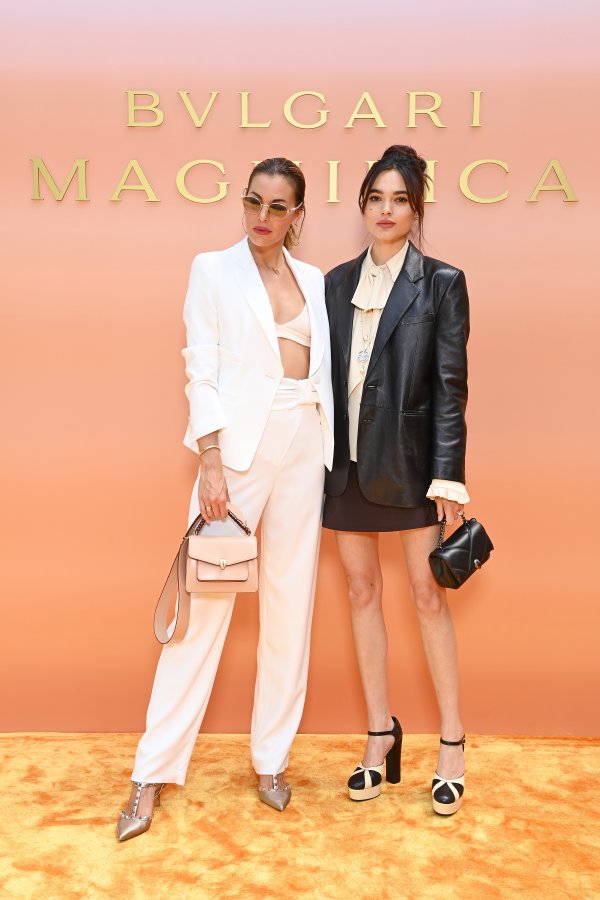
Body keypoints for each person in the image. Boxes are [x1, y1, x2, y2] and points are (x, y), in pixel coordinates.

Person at [116, 158, 334, 841]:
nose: (262, 217)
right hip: (235, 453)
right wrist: (209, 460)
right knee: (202, 609)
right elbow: (200, 368)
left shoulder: (315, 280)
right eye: (253, 202)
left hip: (305, 443)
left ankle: (271, 759)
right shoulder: (213, 270)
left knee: (291, 606)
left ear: (298, 216)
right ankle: (152, 771)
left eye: (278, 207)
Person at [323, 145, 470, 815]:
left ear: (416, 210)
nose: (386, 210)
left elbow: (449, 389)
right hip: (345, 466)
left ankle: (452, 742)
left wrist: (448, 479)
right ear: (362, 205)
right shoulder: (333, 283)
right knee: (360, 590)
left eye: (400, 200)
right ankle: (380, 732)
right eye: (376, 198)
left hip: (412, 468)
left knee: (427, 596)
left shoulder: (441, 283)